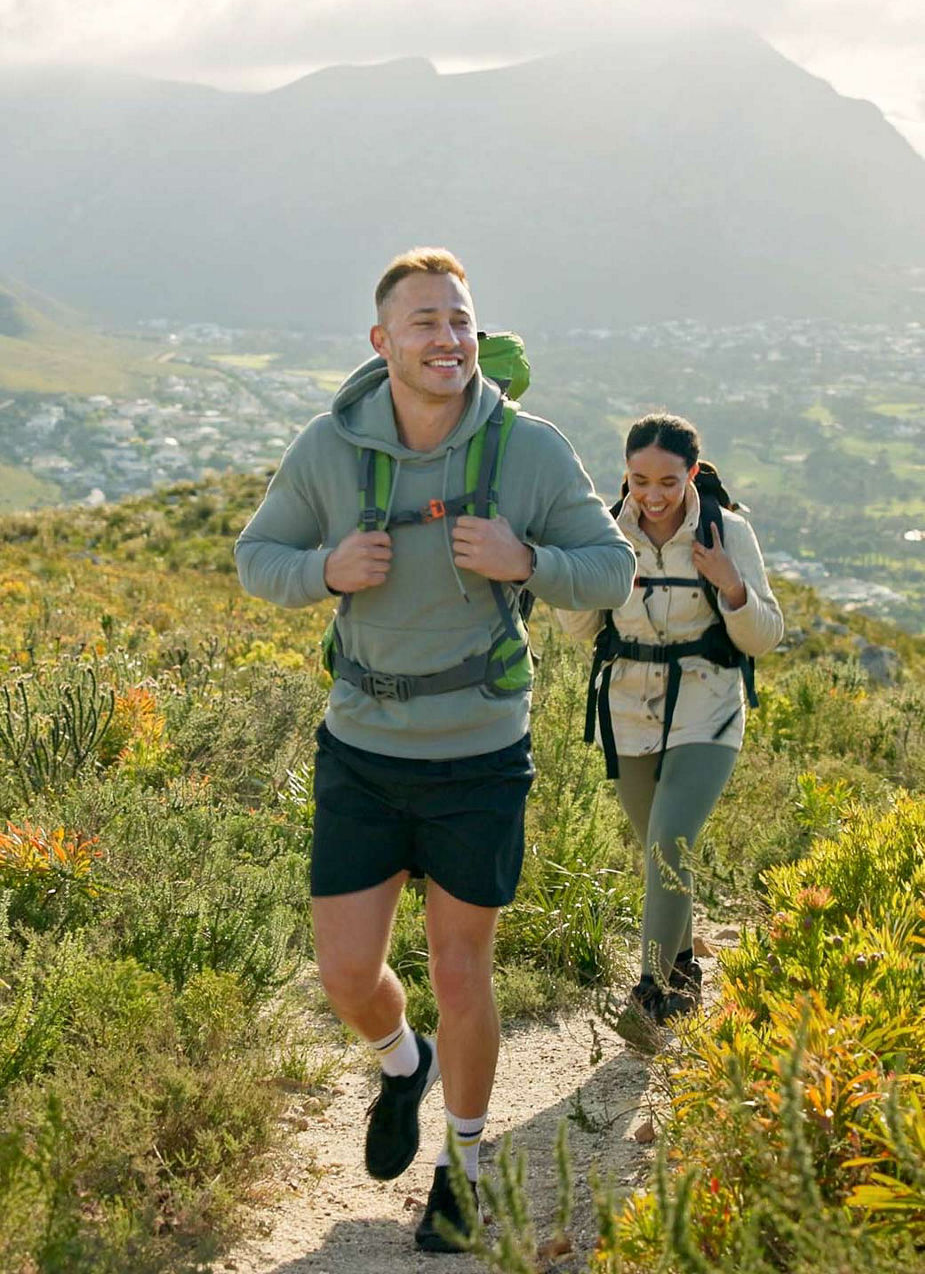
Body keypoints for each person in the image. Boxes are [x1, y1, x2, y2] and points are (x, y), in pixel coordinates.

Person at [235, 247, 636, 1252]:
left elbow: (611, 566)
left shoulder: (528, 449)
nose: (446, 337)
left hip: (479, 752)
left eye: (459, 319)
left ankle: (463, 1163)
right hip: (361, 745)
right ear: (382, 342)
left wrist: (529, 560)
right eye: (423, 321)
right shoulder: (329, 449)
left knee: (463, 969)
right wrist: (324, 568)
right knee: (343, 971)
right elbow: (256, 555)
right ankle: (398, 1059)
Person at [557, 413, 783, 1046]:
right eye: (639, 480)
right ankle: (685, 980)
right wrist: (593, 580)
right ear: (624, 475)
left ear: (691, 473)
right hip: (628, 711)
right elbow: (580, 632)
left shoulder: (726, 531)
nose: (652, 495)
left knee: (670, 841)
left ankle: (653, 996)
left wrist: (729, 584)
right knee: (658, 852)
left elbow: (766, 634)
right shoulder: (605, 532)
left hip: (708, 707)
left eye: (667, 480)